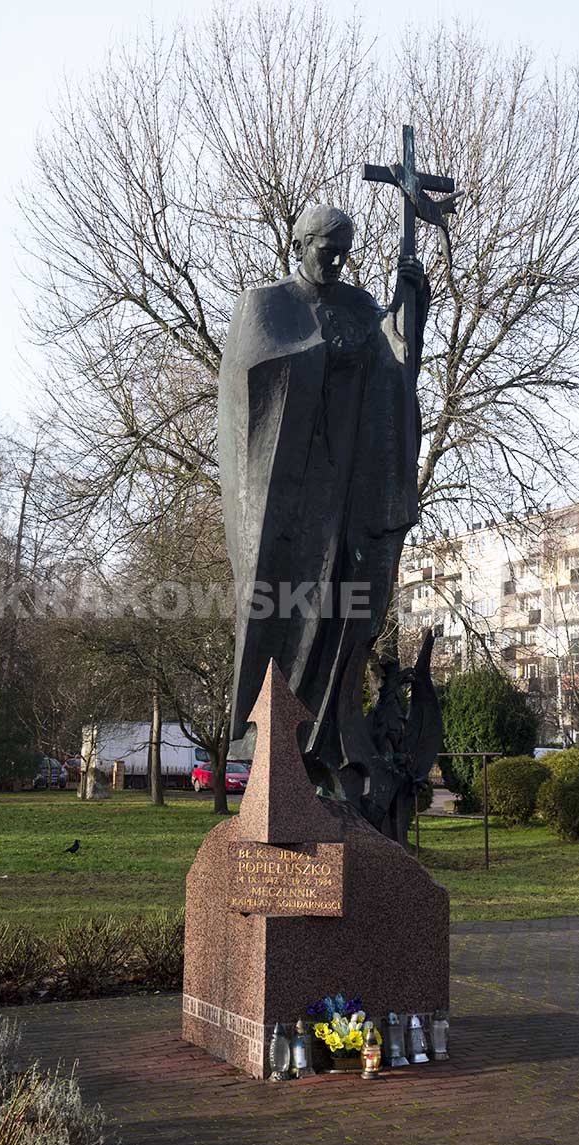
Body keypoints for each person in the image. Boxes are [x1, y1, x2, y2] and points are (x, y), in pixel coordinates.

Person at [218, 204, 429, 808]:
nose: (336, 261)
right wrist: (323, 353)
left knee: (345, 612)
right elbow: (248, 386)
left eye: (344, 251)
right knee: (285, 609)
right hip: (287, 499)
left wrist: (408, 308)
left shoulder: (360, 307)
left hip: (347, 494)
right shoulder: (267, 305)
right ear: (300, 244)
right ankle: (275, 746)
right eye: (326, 249)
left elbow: (394, 366)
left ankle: (327, 747)